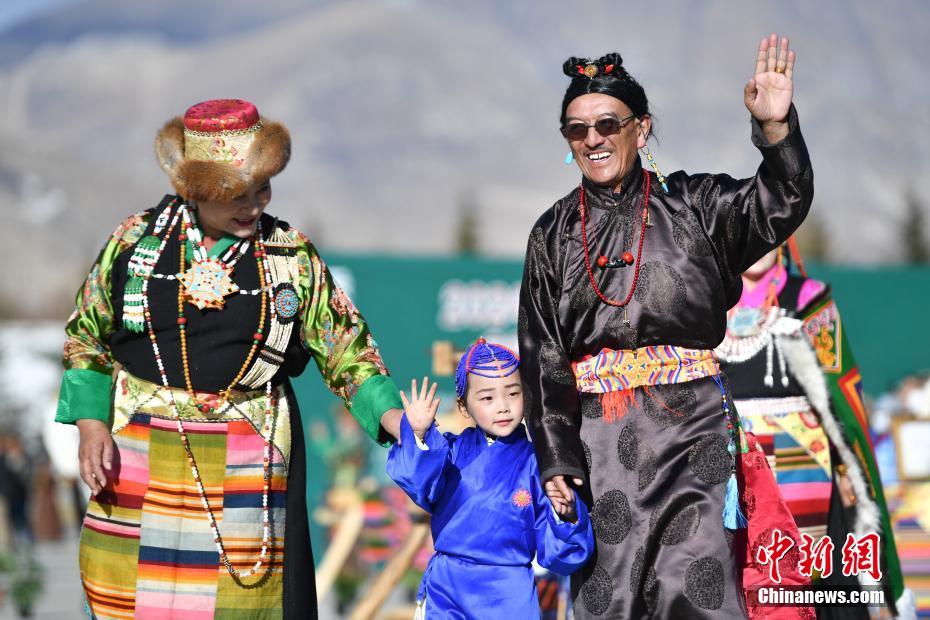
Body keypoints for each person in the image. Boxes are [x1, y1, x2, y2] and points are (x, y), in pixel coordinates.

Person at [54, 99, 405, 618]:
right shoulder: (135, 240)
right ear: (195, 191)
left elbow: (345, 346)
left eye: (262, 188)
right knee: (134, 598)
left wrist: (394, 418)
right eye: (236, 195)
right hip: (139, 449)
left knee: (245, 602)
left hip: (251, 457)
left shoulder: (290, 254)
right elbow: (87, 333)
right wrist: (90, 425)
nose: (253, 205)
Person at [519, 35, 814, 617]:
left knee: (696, 588)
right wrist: (557, 459)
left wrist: (775, 128)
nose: (593, 139)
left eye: (608, 124)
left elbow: (784, 196)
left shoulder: (697, 205)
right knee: (610, 598)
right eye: (577, 129)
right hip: (600, 445)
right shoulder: (551, 234)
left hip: (692, 433)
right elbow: (543, 355)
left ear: (642, 128)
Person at [717, 243, 914, 618]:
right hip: (734, 479)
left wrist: (848, 468)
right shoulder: (709, 302)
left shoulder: (809, 301)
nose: (760, 245)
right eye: (752, 231)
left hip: (805, 475)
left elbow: (844, 401)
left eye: (771, 233)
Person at [386, 339, 595, 619]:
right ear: (463, 406)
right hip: (448, 591)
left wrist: (566, 514)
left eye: (513, 393)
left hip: (508, 594)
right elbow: (420, 485)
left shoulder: (538, 464)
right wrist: (419, 436)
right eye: (487, 398)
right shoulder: (449, 452)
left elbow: (560, 555)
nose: (503, 407)